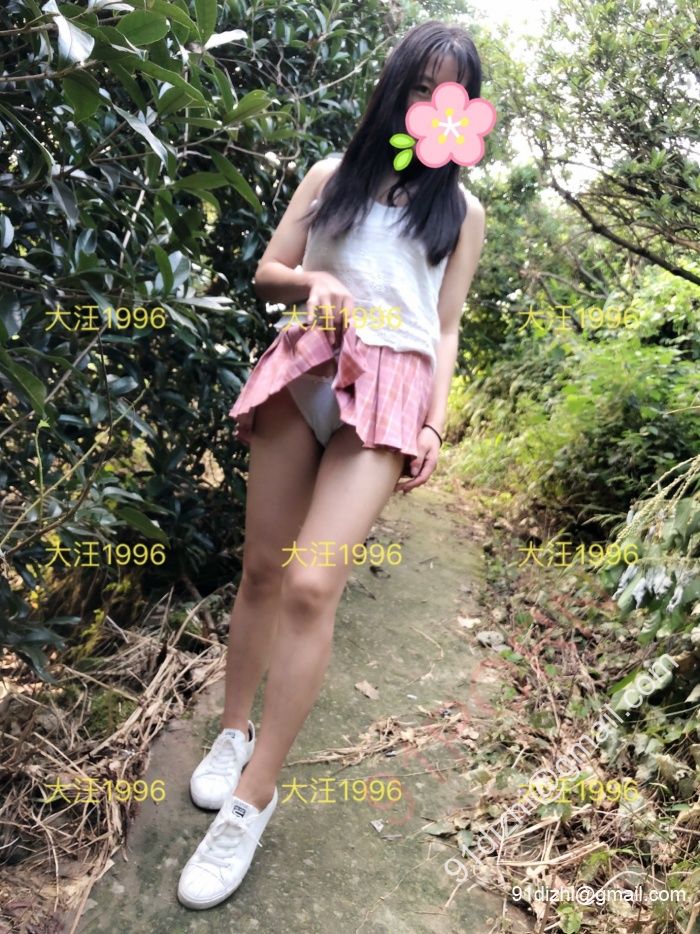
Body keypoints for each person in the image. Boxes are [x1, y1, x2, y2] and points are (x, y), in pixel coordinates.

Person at [177, 18, 487, 911]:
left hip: (391, 392)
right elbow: (268, 271)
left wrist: (435, 425)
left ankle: (252, 798)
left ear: (466, 109)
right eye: (420, 85)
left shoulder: (462, 213)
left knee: (313, 587)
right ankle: (232, 731)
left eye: (450, 91)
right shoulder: (330, 177)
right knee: (263, 571)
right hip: (306, 366)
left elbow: (445, 326)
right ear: (395, 89)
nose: (432, 103)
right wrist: (314, 282)